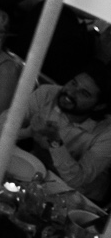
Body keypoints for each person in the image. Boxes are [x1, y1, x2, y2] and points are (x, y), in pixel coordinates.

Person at [21, 66, 111, 203]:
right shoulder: (48, 94)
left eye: (84, 93)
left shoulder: (107, 133)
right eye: (73, 83)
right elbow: (0, 126)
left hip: (77, 200)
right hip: (33, 175)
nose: (70, 92)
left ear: (99, 106)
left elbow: (76, 180)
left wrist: (53, 140)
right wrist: (28, 132)